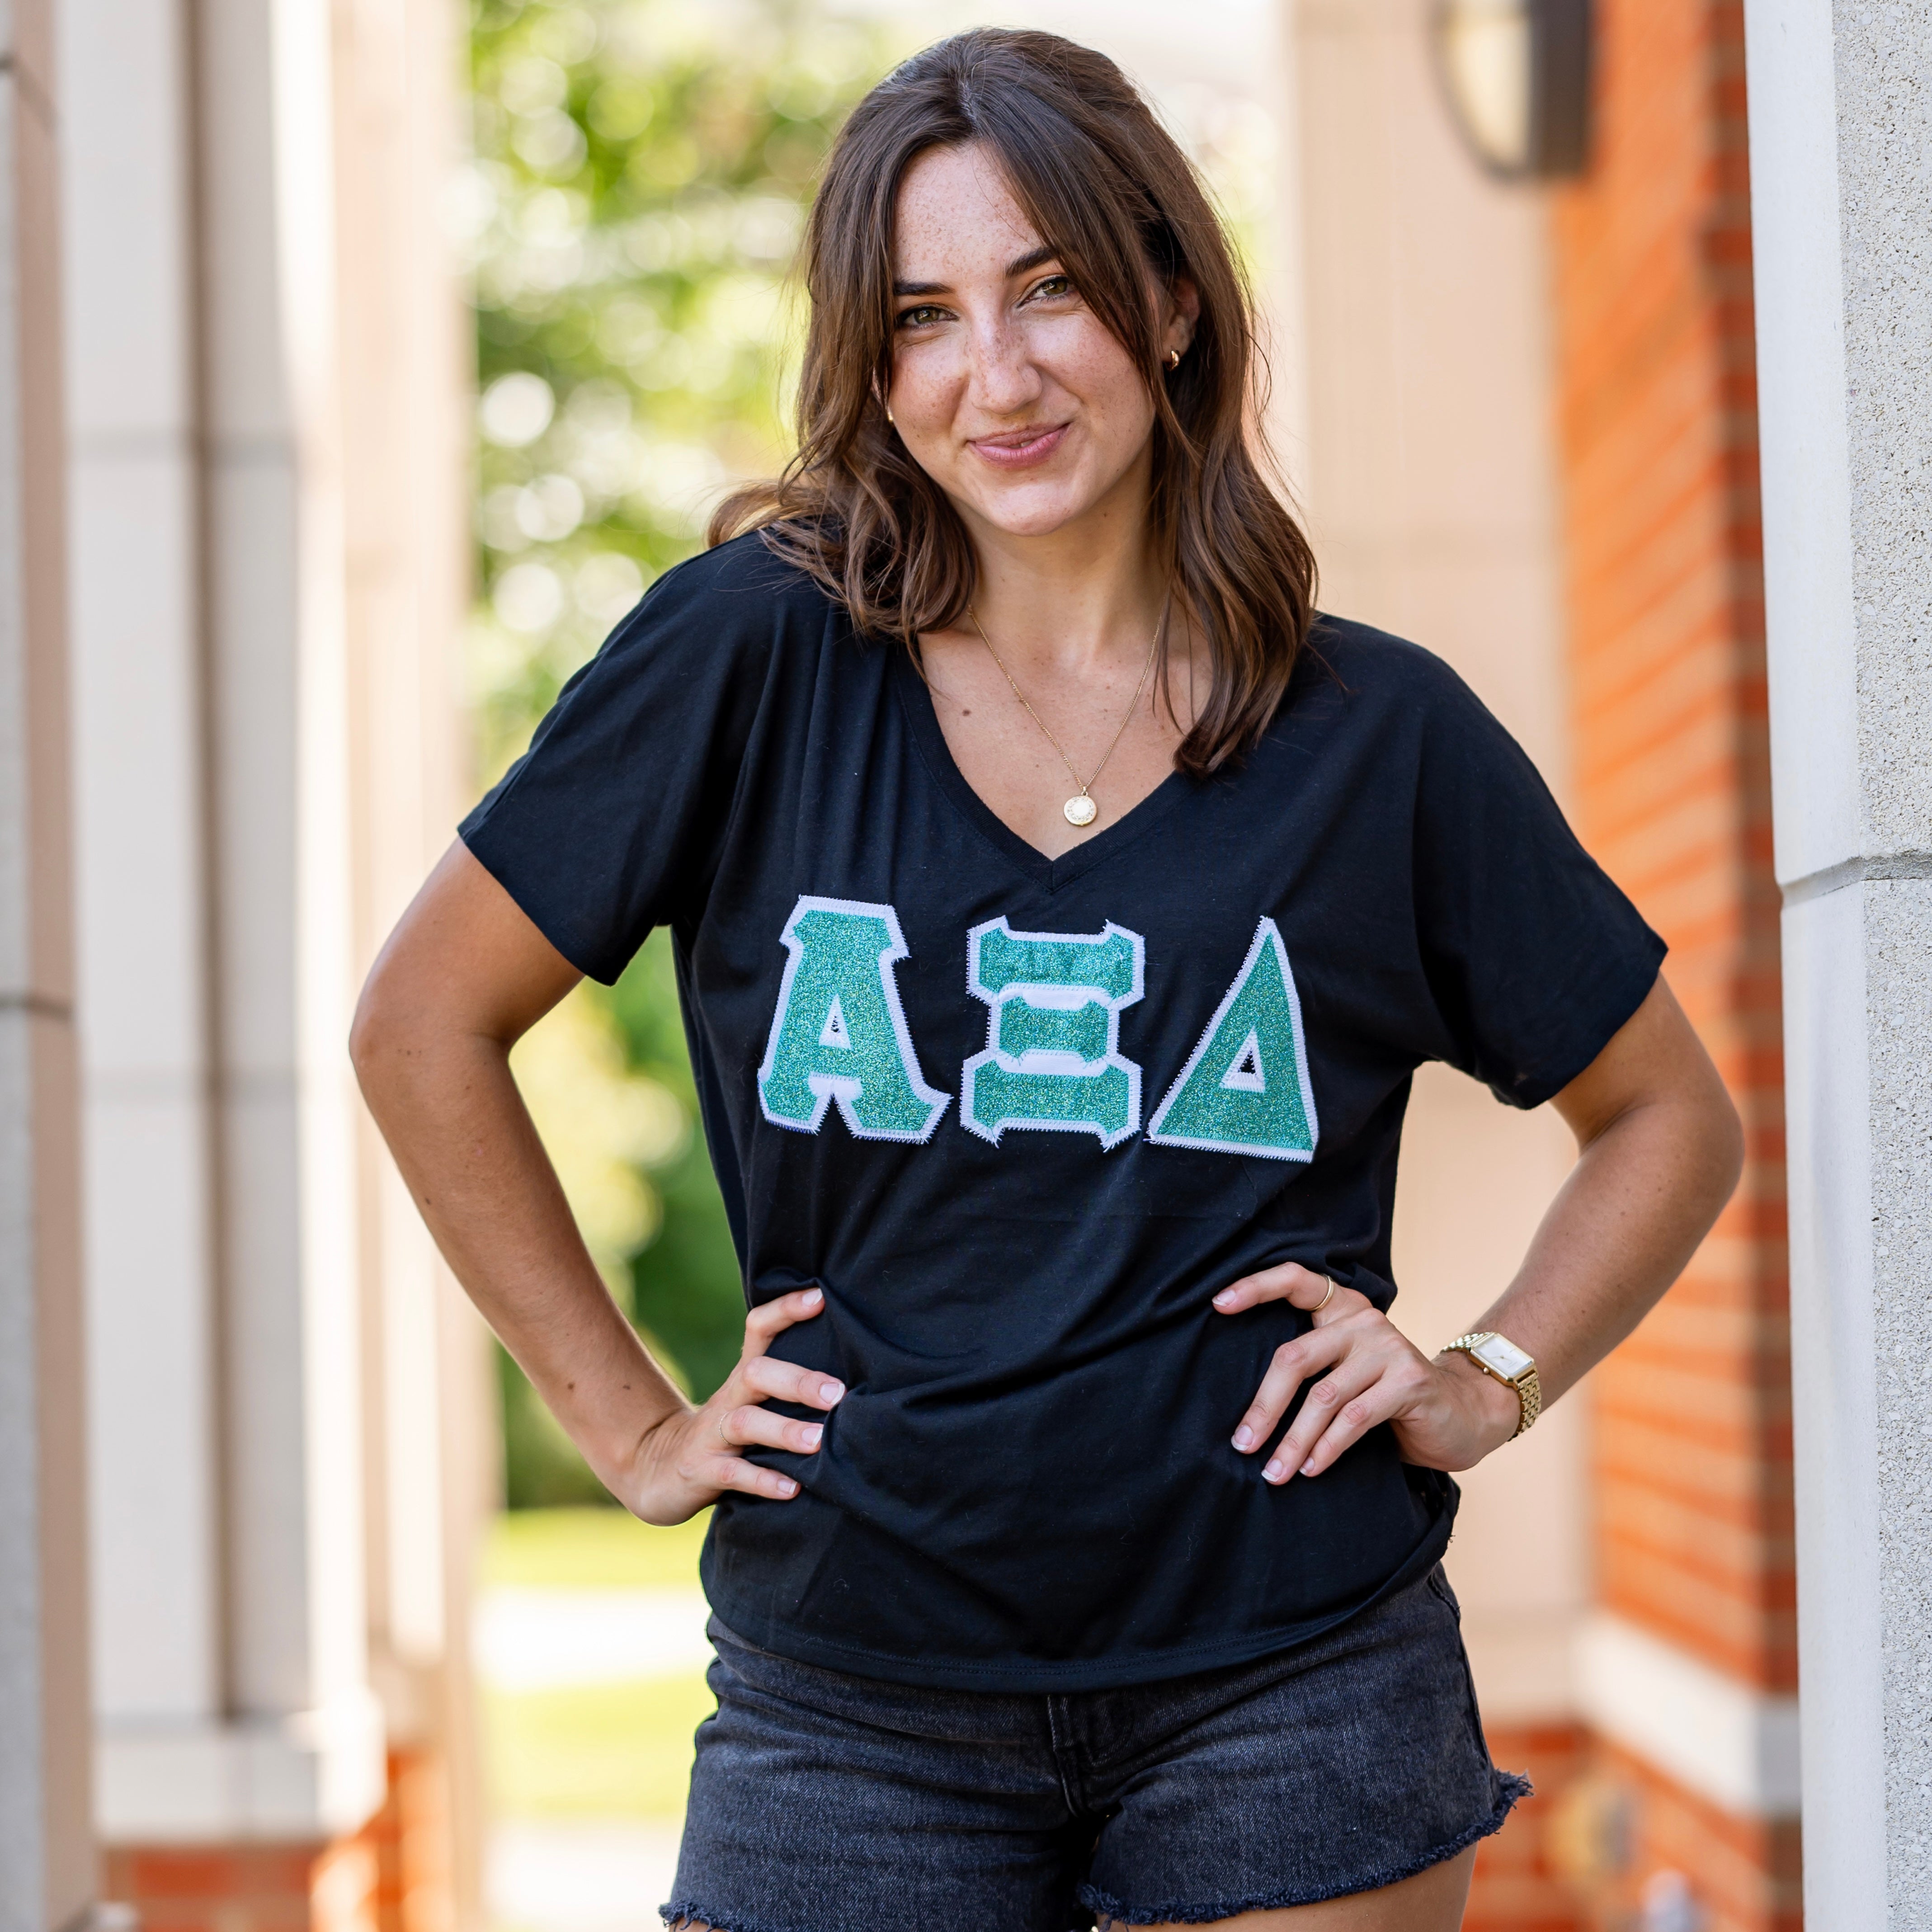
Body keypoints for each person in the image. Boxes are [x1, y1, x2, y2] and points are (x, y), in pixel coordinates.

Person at [352, 28, 1742, 1932]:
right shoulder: (751, 663)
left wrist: (1486, 1372)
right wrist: (626, 1418)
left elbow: (1666, 1113)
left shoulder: (1378, 739)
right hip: (849, 1697)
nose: (988, 376)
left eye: (1051, 289)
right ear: (873, 362)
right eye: (919, 318)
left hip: (1295, 1676)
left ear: (1169, 298)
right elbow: (421, 1019)